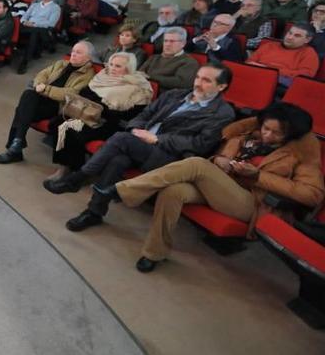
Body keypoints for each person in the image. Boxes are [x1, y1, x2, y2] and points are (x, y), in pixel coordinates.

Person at [67, 103, 323, 273]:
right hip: (221, 187)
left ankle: (119, 189)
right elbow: (222, 152)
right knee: (174, 191)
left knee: (196, 164)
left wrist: (258, 176)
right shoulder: (246, 136)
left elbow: (312, 195)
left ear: (290, 135)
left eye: (276, 134)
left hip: (253, 203)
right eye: (265, 128)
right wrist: (219, 159)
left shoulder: (301, 154)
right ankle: (154, 253)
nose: (267, 135)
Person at [44, 63, 235, 195]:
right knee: (118, 160)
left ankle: (77, 179)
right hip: (141, 142)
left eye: (206, 80)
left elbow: (200, 144)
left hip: (169, 155)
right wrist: (135, 129)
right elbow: (145, 114)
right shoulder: (175, 95)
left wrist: (157, 139)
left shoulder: (223, 113)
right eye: (198, 77)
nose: (198, 83)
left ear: (221, 87)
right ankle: (94, 211)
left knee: (121, 138)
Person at [44, 52, 153, 180]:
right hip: (88, 114)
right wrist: (97, 104)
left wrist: (99, 106)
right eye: (111, 64)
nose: (112, 68)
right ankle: (69, 165)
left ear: (129, 69)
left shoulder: (138, 87)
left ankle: (72, 171)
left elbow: (130, 116)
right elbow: (85, 93)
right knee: (57, 122)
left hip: (108, 123)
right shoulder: (102, 76)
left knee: (70, 130)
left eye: (118, 66)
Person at [0, 42, 96, 163]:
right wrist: (39, 85)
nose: (73, 54)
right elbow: (42, 74)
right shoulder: (61, 63)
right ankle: (17, 144)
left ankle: (15, 148)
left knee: (21, 111)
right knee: (28, 95)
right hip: (40, 98)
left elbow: (71, 94)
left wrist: (45, 89)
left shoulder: (88, 75)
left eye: (78, 52)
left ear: (88, 58)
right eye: (73, 51)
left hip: (58, 106)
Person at [247, 23, 319, 88]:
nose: (290, 37)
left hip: (280, 86)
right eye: (289, 33)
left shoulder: (309, 53)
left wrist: (269, 70)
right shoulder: (269, 46)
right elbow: (249, 62)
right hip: (254, 77)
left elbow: (305, 76)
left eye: (297, 36)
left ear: (307, 40)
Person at [17, 0, 62, 73]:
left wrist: (34, 24)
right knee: (30, 31)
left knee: (35, 32)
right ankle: (35, 52)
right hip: (28, 27)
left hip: (42, 30)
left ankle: (25, 61)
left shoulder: (55, 7)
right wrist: (24, 21)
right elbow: (24, 17)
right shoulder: (34, 5)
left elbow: (51, 24)